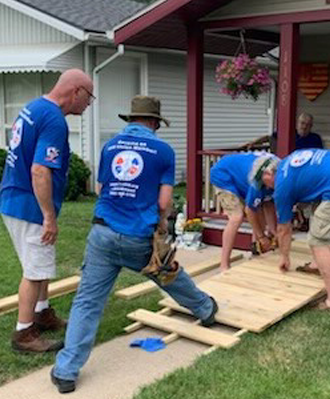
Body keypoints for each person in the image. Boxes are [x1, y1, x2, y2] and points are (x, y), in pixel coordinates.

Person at [51, 96, 218, 394]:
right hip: (138, 237)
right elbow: (164, 201)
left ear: (131, 120)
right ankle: (205, 309)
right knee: (167, 274)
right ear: (154, 123)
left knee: (88, 301)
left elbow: (102, 188)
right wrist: (162, 223)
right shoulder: (163, 151)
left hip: (102, 233)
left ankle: (66, 371)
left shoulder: (110, 146)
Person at [0, 69, 94, 353]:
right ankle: (24, 333)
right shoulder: (54, 120)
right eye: (88, 97)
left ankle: (42, 311)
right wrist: (48, 216)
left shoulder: (35, 107)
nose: (88, 104)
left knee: (43, 261)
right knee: (35, 269)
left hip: (15, 196)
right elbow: (40, 170)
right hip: (29, 205)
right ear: (76, 91)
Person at [251, 149, 330, 310]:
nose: (266, 189)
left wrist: (284, 257)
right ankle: (316, 265)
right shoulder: (289, 161)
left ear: (267, 174)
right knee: (318, 212)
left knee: (318, 240)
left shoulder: (282, 186)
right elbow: (311, 187)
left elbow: (284, 229)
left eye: (263, 184)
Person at [210, 152, 278, 271]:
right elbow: (250, 210)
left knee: (259, 212)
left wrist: (274, 231)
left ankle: (256, 253)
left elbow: (268, 204)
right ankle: (224, 264)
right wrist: (262, 237)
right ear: (267, 175)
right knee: (237, 217)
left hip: (240, 175)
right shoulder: (257, 181)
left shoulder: (278, 175)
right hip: (223, 175)